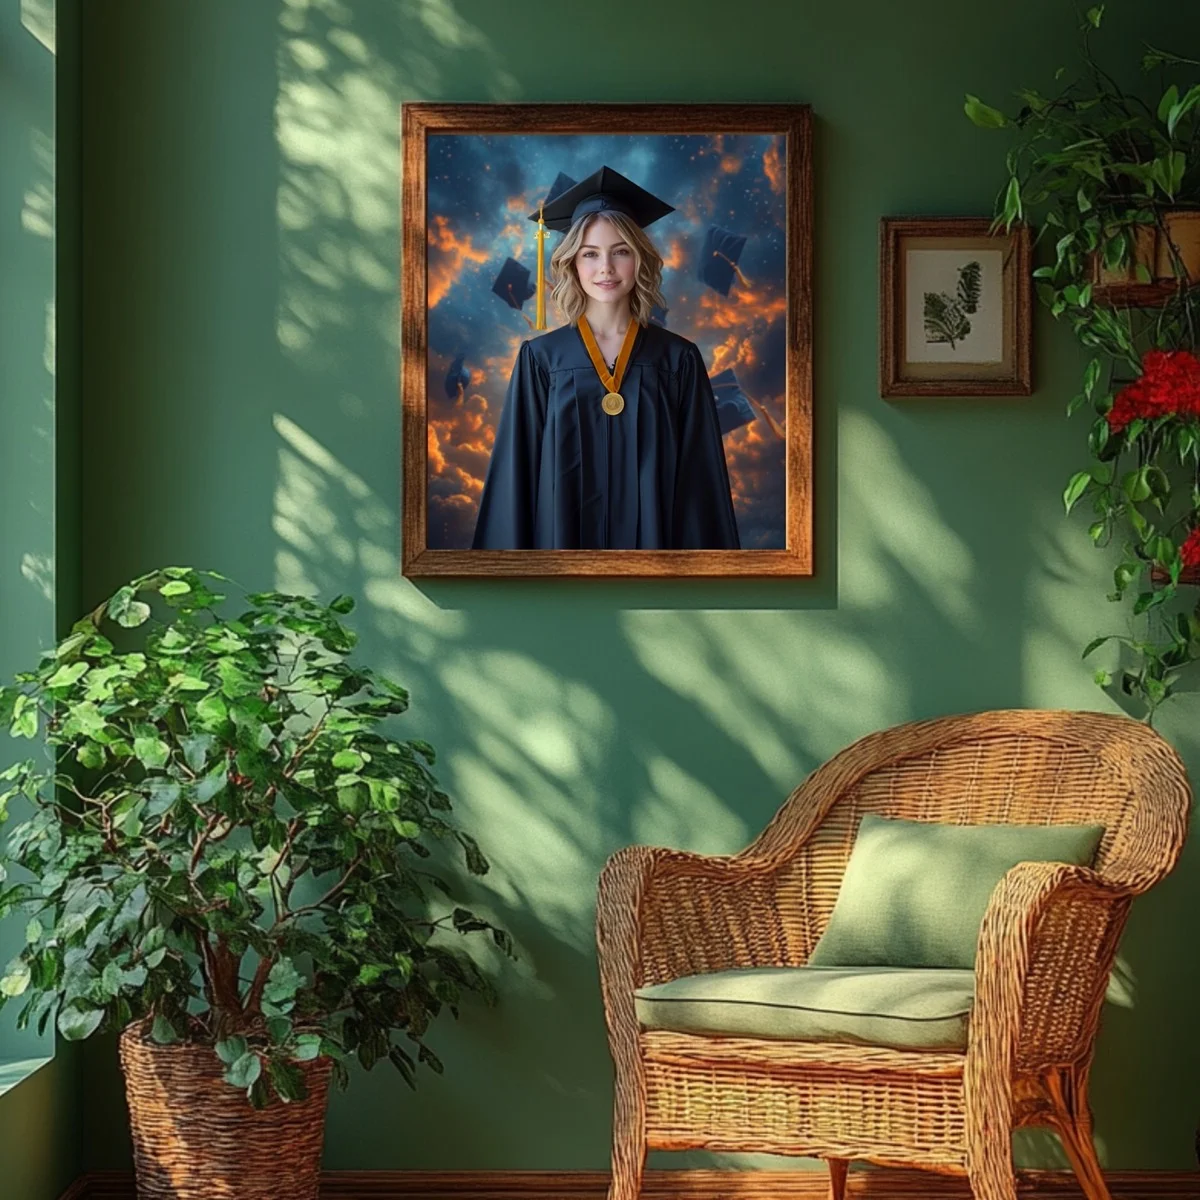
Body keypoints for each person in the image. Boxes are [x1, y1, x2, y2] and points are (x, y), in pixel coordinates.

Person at [471, 166, 741, 551]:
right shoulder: (541, 360)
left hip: (657, 563)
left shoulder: (678, 360)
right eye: (590, 254)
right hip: (559, 564)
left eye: (621, 251)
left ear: (640, 259)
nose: (606, 268)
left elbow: (701, 484)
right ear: (572, 263)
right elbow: (516, 479)